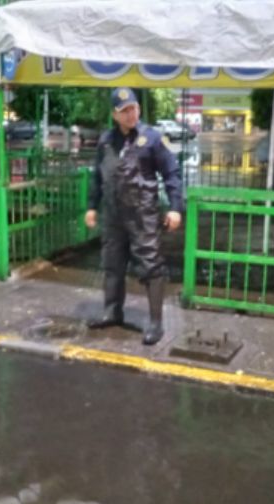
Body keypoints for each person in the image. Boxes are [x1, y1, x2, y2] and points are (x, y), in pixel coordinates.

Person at [85, 88, 183, 346]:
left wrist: (175, 207)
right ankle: (112, 311)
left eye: (134, 108)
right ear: (114, 114)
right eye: (124, 110)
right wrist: (91, 206)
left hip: (142, 215)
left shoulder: (152, 138)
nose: (131, 114)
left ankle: (155, 323)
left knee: (151, 265)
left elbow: (172, 174)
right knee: (112, 264)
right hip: (113, 216)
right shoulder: (106, 141)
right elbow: (97, 175)